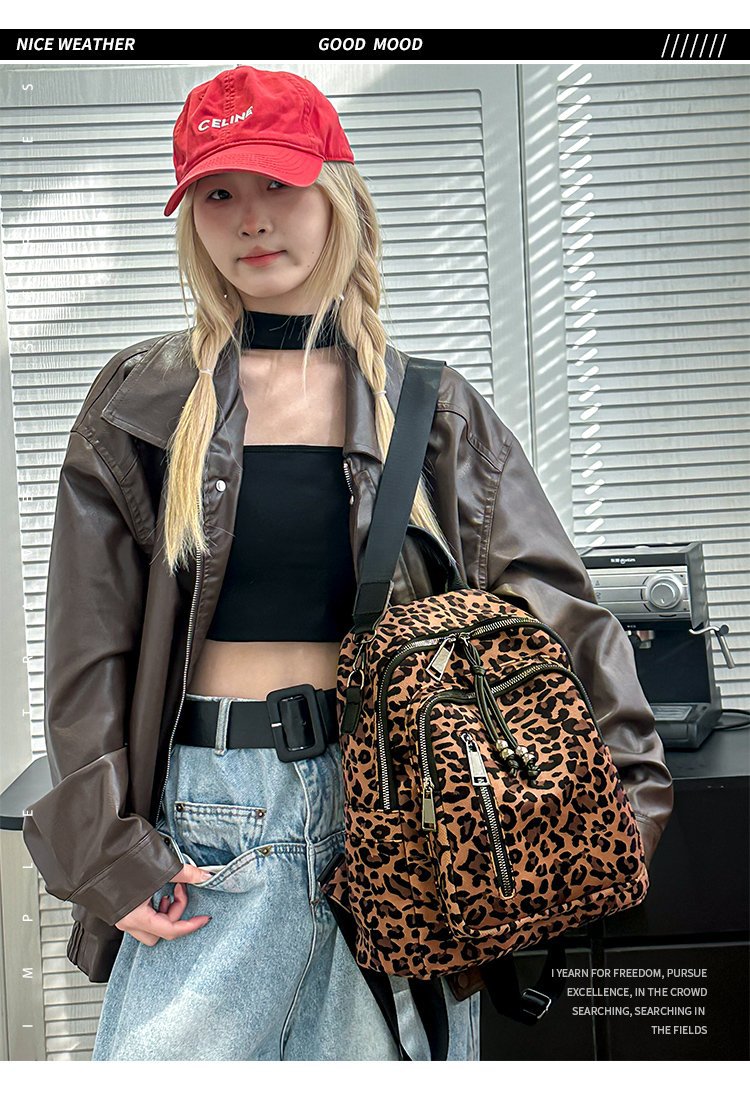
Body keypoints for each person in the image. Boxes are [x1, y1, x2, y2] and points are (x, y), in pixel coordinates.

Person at [22, 64, 673, 1062]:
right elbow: (87, 651)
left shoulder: (431, 407)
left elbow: (555, 612)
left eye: (278, 184)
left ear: (337, 194)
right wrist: (106, 855)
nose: (251, 219)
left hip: (403, 815)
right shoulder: (144, 402)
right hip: (213, 821)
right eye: (217, 194)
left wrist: (626, 805)